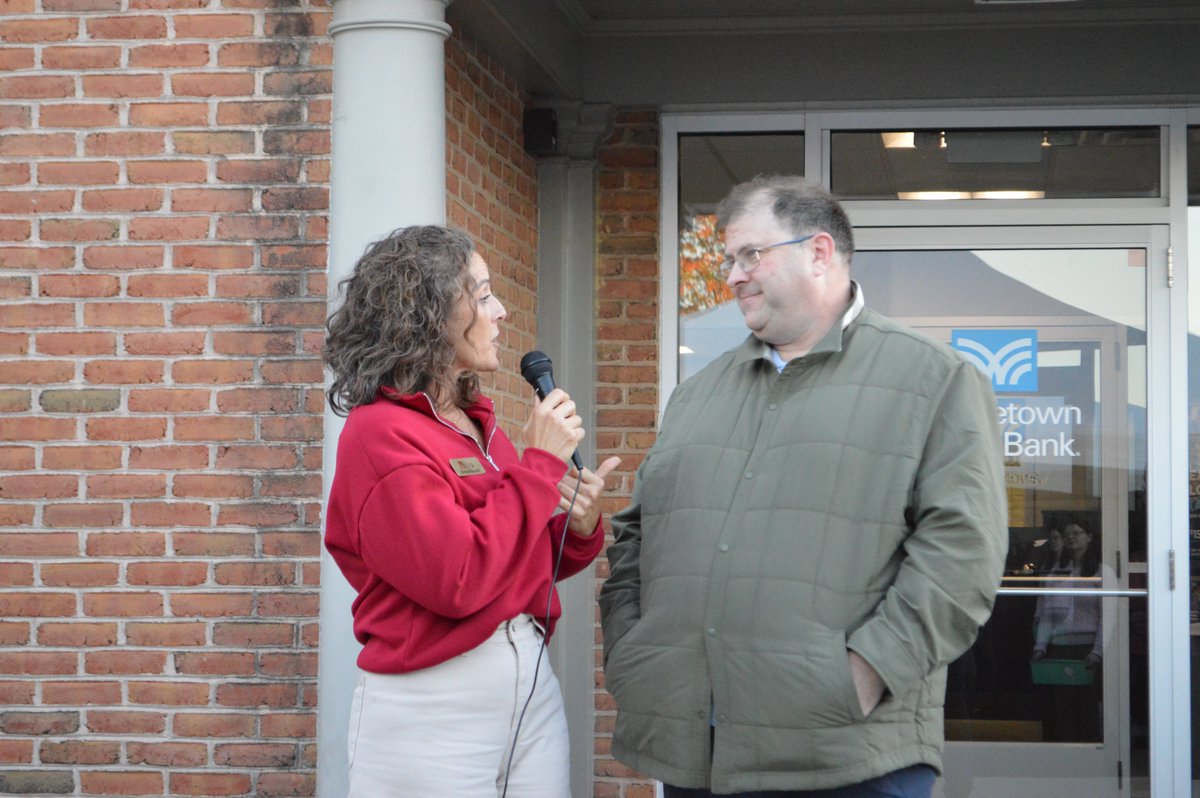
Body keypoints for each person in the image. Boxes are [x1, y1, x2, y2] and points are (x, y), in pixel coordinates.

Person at [599, 176, 1008, 797]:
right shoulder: (698, 394)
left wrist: (864, 674)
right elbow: (637, 534)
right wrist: (634, 652)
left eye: (749, 255)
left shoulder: (934, 380)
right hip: (701, 752)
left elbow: (963, 555)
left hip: (848, 755)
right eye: (728, 260)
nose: (733, 276)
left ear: (820, 252)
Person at [323, 225, 620, 797]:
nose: (501, 312)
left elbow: (521, 555)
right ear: (429, 313)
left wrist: (577, 527)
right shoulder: (380, 434)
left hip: (529, 693)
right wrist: (536, 468)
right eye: (482, 296)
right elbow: (457, 579)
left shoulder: (476, 424)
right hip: (435, 711)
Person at [1030, 522, 1105, 741]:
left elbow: (1106, 616)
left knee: (1087, 709)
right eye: (1067, 534)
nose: (1071, 537)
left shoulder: (1100, 570)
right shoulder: (1057, 570)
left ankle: (1089, 762)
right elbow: (1046, 613)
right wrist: (1040, 646)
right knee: (1062, 710)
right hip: (1059, 649)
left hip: (1087, 651)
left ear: (1090, 536)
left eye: (1076, 533)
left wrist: (1098, 651)